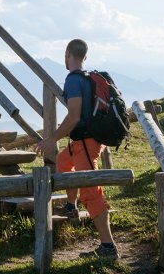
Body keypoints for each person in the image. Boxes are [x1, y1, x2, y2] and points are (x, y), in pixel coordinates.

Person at [34, 39, 118, 259]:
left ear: (67, 53)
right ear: (85, 57)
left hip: (86, 144)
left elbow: (74, 116)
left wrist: (52, 139)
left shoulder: (73, 80)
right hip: (79, 143)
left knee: (91, 192)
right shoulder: (87, 77)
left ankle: (108, 247)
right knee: (63, 163)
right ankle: (71, 206)